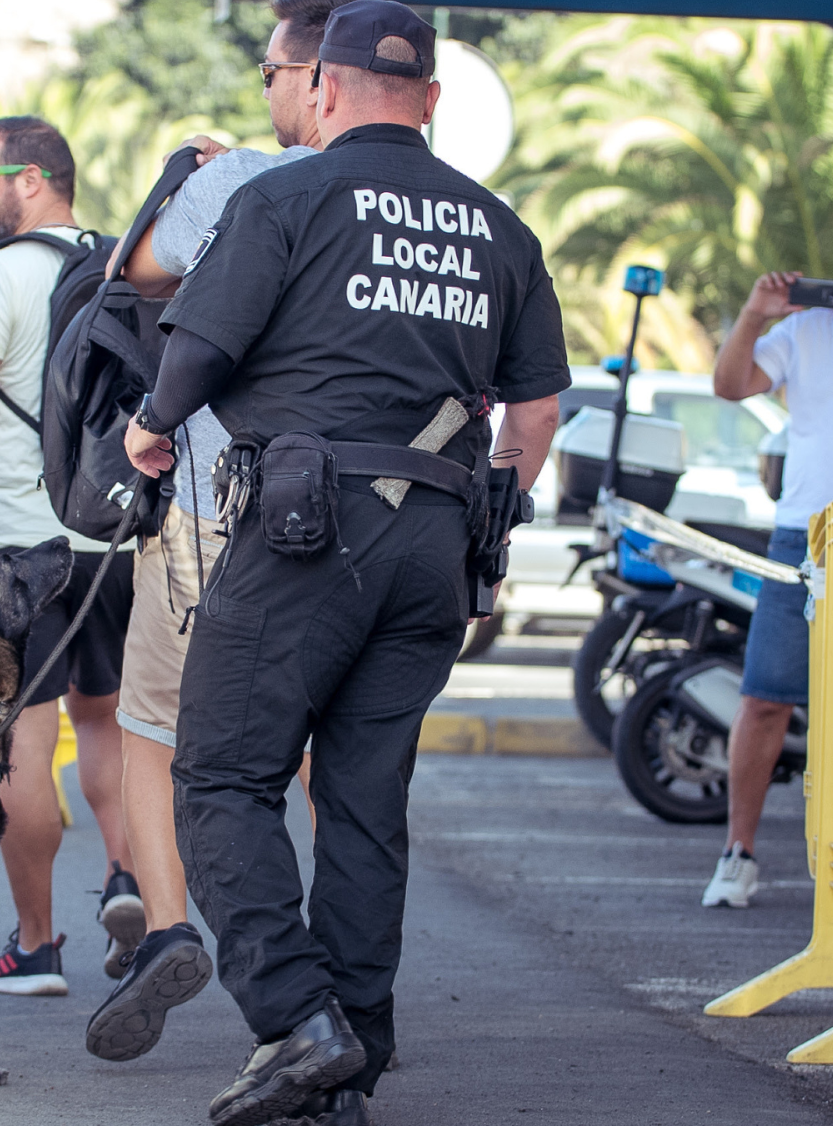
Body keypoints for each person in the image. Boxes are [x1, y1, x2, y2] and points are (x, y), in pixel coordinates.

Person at [124, 4, 565, 1122]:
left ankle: (294, 1018)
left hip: (302, 530)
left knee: (220, 774)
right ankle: (346, 1066)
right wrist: (487, 527)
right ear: (426, 100)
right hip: (434, 541)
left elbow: (201, 345)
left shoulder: (285, 194)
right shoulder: (496, 226)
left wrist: (148, 426)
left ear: (320, 90)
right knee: (364, 804)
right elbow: (534, 407)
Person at [86, 0, 337, 1062]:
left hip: (211, 500)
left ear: (313, 77)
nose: (267, 91)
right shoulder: (437, 200)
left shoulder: (240, 181)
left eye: (271, 70)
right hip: (354, 513)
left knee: (154, 722)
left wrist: (188, 173)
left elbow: (137, 273)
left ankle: (170, 925)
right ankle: (336, 971)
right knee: (328, 742)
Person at [0, 115, 139, 996]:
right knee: (107, 722)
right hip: (108, 540)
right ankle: (129, 877)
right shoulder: (120, 267)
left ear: (33, 180)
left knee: (23, 738)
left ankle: (37, 944)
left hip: (11, 544)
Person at [705, 196, 833, 908]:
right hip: (807, 539)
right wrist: (756, 313)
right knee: (766, 699)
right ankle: (738, 852)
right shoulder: (814, 327)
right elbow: (729, 386)